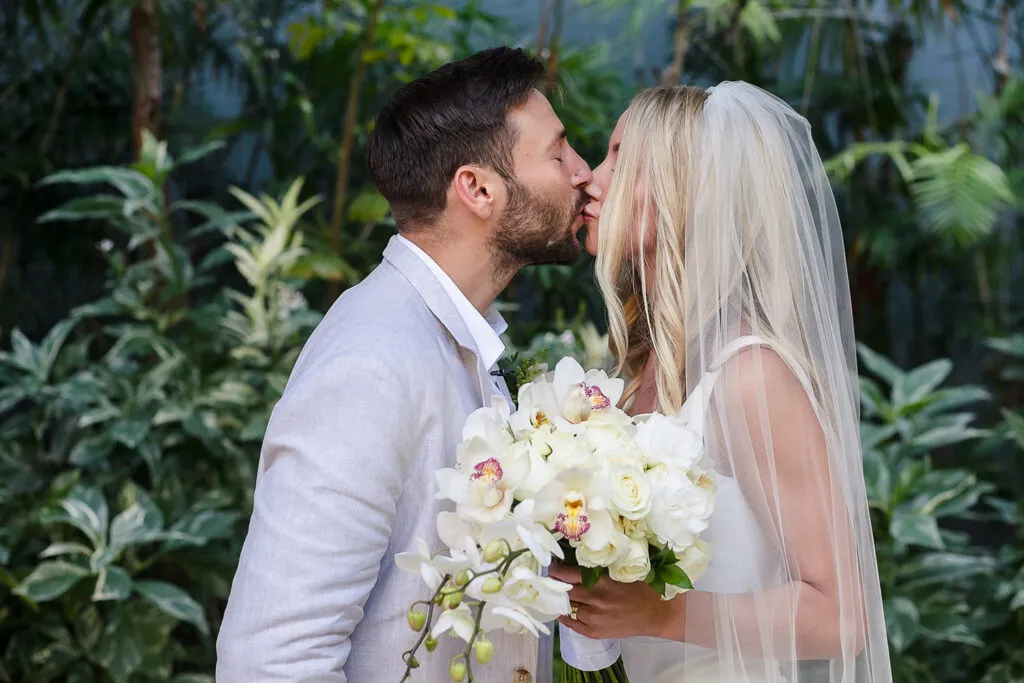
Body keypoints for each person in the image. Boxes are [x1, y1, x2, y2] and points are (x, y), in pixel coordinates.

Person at [216, 47, 593, 682]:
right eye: (558, 154)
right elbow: (272, 660)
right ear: (477, 189)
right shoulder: (371, 365)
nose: (583, 172)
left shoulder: (452, 339)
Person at [551, 83, 893, 683]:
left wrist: (663, 615)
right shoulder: (638, 371)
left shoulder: (751, 377)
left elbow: (842, 616)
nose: (592, 181)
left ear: (686, 191)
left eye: (619, 159)